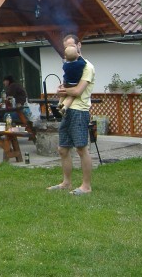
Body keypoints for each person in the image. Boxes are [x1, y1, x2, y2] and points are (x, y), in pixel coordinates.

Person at [48, 34, 95, 195]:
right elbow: (67, 85)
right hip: (67, 111)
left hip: (80, 111)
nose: (68, 49)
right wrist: (61, 89)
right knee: (63, 149)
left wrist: (64, 91)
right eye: (66, 47)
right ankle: (66, 183)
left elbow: (77, 91)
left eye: (71, 46)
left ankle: (86, 186)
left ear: (79, 45)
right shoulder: (69, 64)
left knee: (81, 149)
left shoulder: (87, 67)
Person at [57, 45, 87, 115]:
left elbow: (65, 65)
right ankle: (64, 108)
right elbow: (84, 62)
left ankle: (59, 104)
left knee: (63, 93)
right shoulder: (80, 64)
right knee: (71, 97)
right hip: (74, 84)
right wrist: (79, 55)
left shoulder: (65, 66)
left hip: (66, 83)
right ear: (77, 55)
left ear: (65, 57)